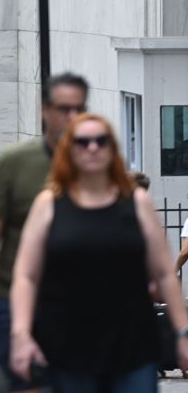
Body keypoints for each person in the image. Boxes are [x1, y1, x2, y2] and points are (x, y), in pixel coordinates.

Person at [11, 114, 188, 392]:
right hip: (67, 345)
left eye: (100, 141)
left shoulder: (136, 202)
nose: (92, 148)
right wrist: (21, 334)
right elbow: (26, 275)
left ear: (111, 150)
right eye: (82, 142)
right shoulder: (48, 204)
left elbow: (165, 272)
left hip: (132, 345)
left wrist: (182, 332)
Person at [0, 73, 88, 387]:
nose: (71, 117)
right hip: (15, 298)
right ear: (45, 110)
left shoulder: (96, 161)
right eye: (63, 108)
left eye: (78, 109)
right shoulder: (16, 162)